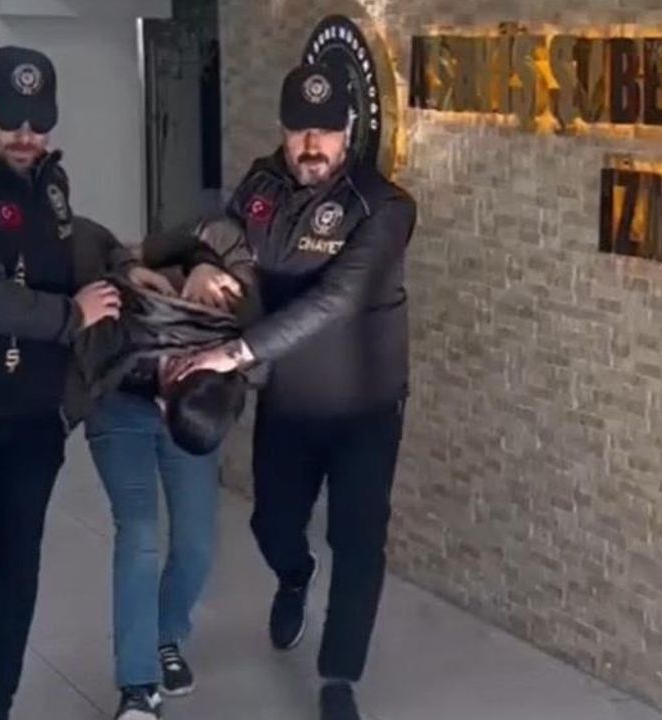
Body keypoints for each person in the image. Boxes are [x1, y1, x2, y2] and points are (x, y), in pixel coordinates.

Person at [0, 46, 160, 720]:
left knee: (16, 565)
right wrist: (74, 316)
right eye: (10, 119)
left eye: (39, 122)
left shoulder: (49, 179)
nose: (26, 135)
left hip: (31, 412)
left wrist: (121, 262)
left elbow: (71, 236)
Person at [172, 60, 417, 720]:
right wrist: (202, 264)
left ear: (349, 129)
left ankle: (339, 677)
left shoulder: (385, 206)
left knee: (358, 540)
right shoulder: (262, 184)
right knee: (271, 522)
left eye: (325, 131)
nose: (312, 145)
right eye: (299, 130)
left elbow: (336, 299)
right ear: (283, 129)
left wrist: (234, 352)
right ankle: (294, 574)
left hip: (366, 407)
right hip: (287, 401)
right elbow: (219, 237)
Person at [62, 219, 253, 720]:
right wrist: (196, 263)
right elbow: (92, 237)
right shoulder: (187, 300)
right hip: (118, 406)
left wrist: (188, 402)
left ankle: (164, 636)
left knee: (197, 546)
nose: (163, 405)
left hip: (194, 415)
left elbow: (264, 354)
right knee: (140, 533)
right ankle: (137, 685)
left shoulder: (223, 364)